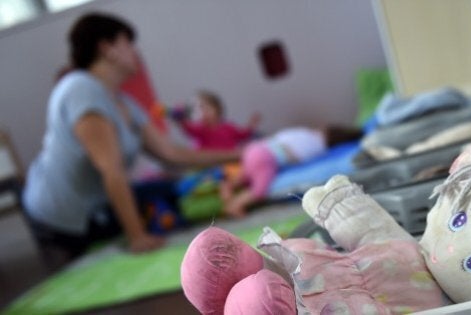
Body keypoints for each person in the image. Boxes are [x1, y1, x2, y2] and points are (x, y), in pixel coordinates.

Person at [21, 12, 239, 260]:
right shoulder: (80, 88)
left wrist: (239, 153)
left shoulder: (124, 101)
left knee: (174, 189)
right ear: (107, 48)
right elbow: (111, 170)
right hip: (60, 219)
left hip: (96, 205)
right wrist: (137, 237)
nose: (135, 51)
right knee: (164, 198)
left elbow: (172, 153)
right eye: (128, 43)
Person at [220, 125, 363, 217]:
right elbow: (299, 158)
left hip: (254, 149)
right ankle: (236, 204)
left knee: (246, 173)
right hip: (265, 158)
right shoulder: (318, 146)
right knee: (260, 188)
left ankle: (230, 185)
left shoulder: (306, 131)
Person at [177, 90, 260, 150]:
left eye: (207, 109)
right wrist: (181, 119)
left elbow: (242, 134)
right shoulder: (201, 129)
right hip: (209, 165)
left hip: (229, 164)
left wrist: (251, 125)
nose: (204, 113)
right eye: (200, 110)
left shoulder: (229, 127)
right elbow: (188, 129)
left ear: (218, 110)